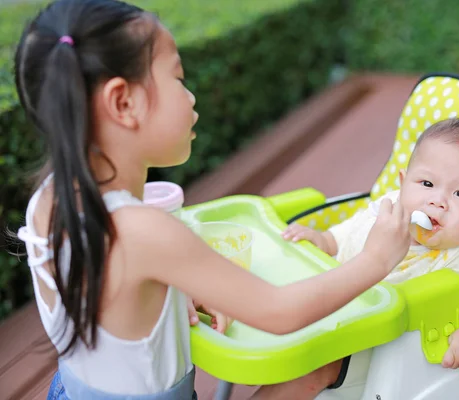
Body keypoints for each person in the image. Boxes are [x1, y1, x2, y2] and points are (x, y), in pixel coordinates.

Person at [13, 1, 412, 398]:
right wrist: (374, 260)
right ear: (123, 102)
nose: (189, 98)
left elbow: (109, 301)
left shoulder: (48, 199)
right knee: (321, 366)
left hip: (67, 390)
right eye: (178, 79)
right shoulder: (145, 231)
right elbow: (278, 311)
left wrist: (173, 292)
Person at [272, 117, 459, 399]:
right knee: (274, 339)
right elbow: (340, 239)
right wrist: (318, 241)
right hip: (324, 318)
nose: (437, 201)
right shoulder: (387, 211)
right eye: (427, 183)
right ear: (403, 184)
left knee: (302, 373)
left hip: (373, 355)